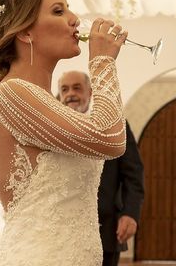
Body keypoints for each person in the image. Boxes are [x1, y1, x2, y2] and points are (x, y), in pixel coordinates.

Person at [0, 0, 128, 266]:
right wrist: (102, 63)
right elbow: (110, 138)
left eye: (68, 9)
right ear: (25, 32)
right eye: (58, 11)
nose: (74, 19)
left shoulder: (45, 105)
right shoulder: (13, 94)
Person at [58, 70, 145, 266]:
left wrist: (130, 213)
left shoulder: (115, 125)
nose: (70, 93)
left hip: (104, 229)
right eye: (65, 89)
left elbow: (133, 174)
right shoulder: (51, 128)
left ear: (90, 92)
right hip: (61, 231)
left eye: (77, 88)